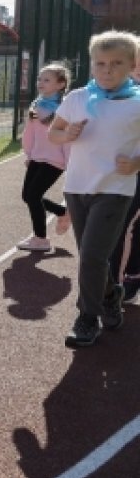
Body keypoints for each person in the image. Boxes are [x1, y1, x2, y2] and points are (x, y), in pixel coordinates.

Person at [48, 31, 140, 348]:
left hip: (115, 190)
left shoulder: (137, 102)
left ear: (132, 65)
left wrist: (137, 163)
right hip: (77, 188)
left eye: (116, 63)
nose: (107, 70)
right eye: (100, 63)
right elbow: (53, 132)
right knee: (93, 259)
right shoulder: (78, 98)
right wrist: (67, 134)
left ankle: (88, 317)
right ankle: (111, 296)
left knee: (91, 258)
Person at [18, 62, 72, 252]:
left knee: (33, 196)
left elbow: (67, 139)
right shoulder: (36, 104)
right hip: (37, 158)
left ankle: (40, 239)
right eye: (40, 79)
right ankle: (62, 211)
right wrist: (29, 154)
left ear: (60, 84)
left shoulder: (65, 108)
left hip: (55, 160)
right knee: (27, 196)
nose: (40, 82)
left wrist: (69, 163)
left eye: (47, 79)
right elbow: (30, 133)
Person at [109, 59, 140, 304]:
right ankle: (117, 283)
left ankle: (130, 276)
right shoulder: (113, 92)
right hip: (124, 173)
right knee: (122, 225)